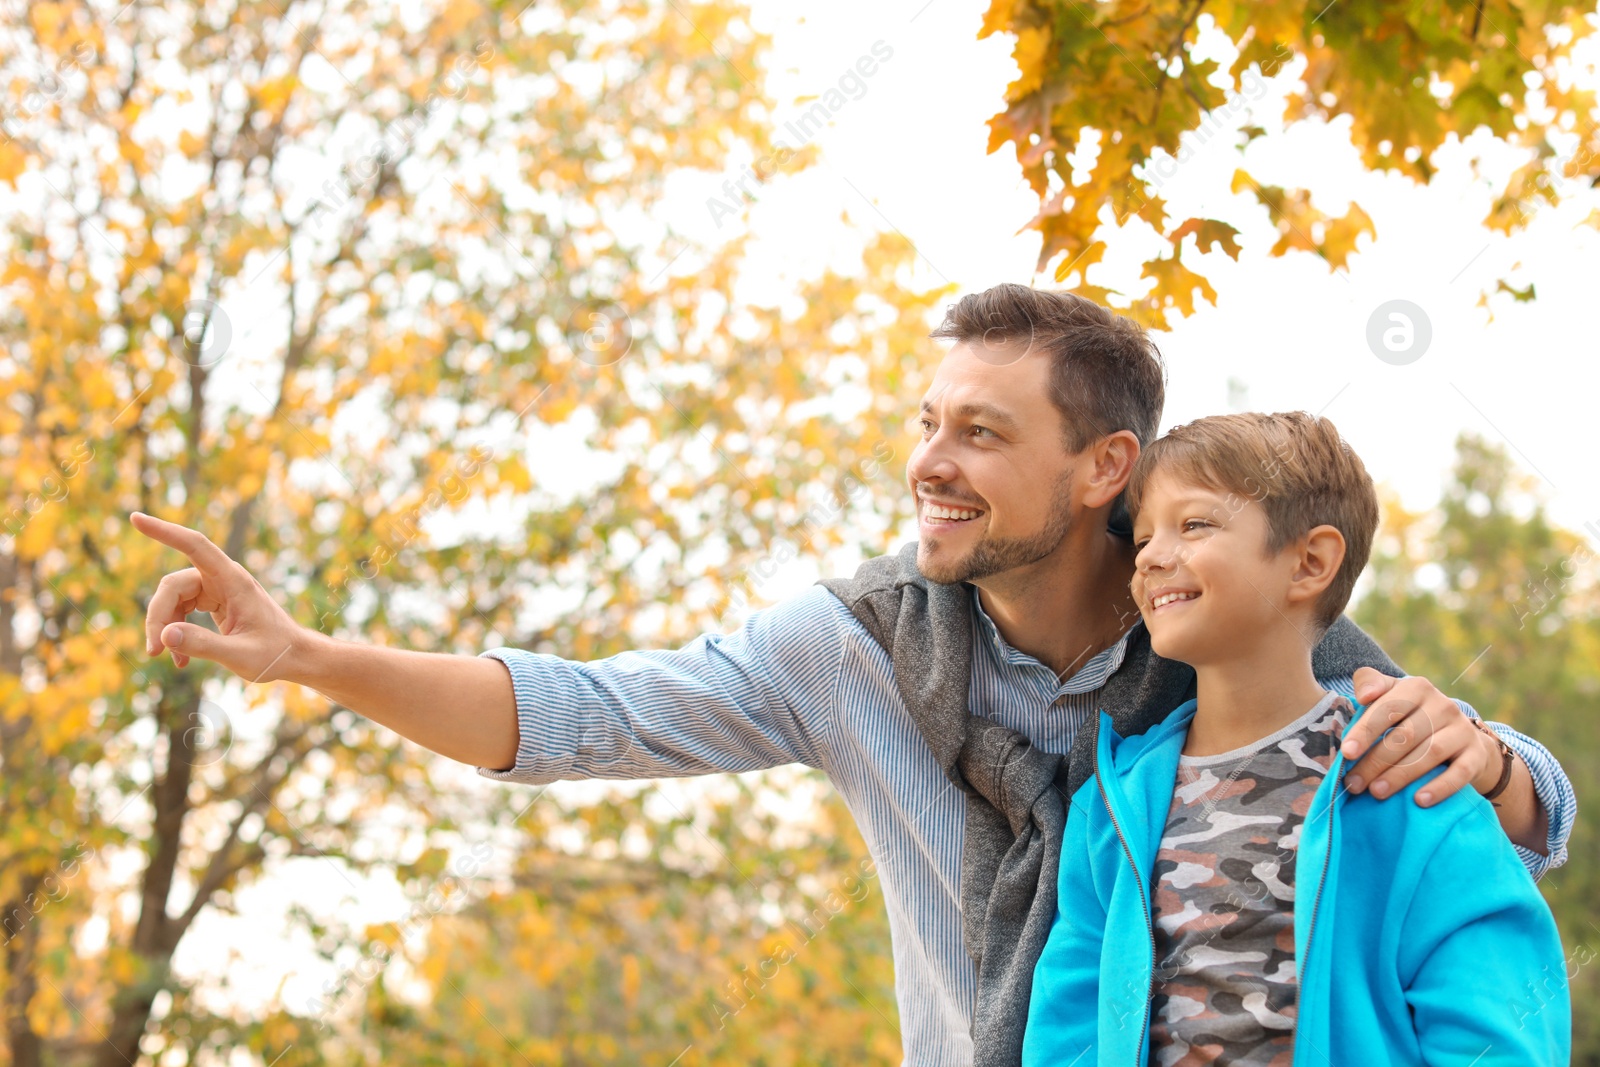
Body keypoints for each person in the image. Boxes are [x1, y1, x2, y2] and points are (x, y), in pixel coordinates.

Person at [131, 285, 1575, 1067]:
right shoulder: (853, 643)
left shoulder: (1210, 607)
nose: (927, 467)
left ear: (1103, 467)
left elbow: (1451, 793)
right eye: (925, 422)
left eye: (979, 436)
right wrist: (310, 654)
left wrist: (1503, 759)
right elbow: (582, 710)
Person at [1023, 411, 1571, 1066]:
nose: (1152, 557)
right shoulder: (1111, 805)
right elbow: (1069, 1024)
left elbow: (1496, 1031)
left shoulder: (1410, 786)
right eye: (1142, 539)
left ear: (1310, 562)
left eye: (1193, 524)